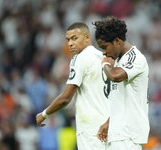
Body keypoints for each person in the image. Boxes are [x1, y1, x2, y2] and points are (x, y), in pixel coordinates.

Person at [36, 22, 110, 150]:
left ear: (87, 37)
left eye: (74, 38)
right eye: (68, 40)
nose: (70, 43)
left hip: (91, 129)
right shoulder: (105, 57)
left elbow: (66, 98)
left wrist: (44, 114)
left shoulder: (80, 58)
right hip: (109, 126)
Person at [92, 16, 150, 150]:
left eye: (105, 47)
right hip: (118, 133)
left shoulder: (135, 57)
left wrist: (105, 64)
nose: (104, 52)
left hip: (128, 134)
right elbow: (124, 100)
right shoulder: (118, 60)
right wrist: (109, 122)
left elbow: (115, 76)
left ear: (117, 41)